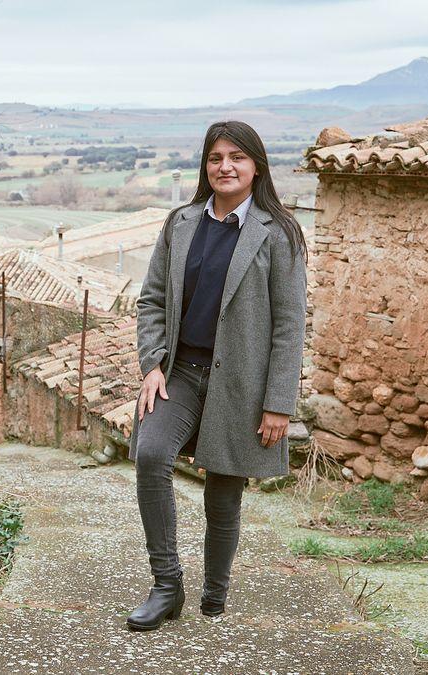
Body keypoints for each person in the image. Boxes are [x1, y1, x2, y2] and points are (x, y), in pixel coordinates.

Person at [126, 120, 308, 631]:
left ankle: (214, 594)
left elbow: (290, 324)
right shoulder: (181, 222)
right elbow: (152, 300)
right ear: (205, 166)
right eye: (215, 157)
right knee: (151, 454)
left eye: (237, 157)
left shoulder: (280, 234)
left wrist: (279, 402)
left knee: (224, 492)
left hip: (243, 383)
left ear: (257, 166)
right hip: (179, 372)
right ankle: (167, 586)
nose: (225, 166)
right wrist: (151, 365)